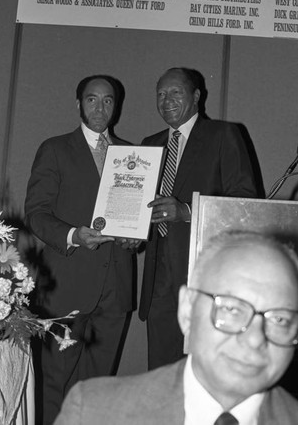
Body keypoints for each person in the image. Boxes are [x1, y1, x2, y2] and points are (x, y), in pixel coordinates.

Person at [53, 230, 298, 425]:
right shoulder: (94, 413)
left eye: (280, 319)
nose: (255, 339)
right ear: (187, 310)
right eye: (232, 309)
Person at [25, 75, 136, 424]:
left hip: (115, 287)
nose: (100, 107)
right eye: (92, 99)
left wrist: (137, 237)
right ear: (78, 104)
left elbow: (136, 215)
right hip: (66, 285)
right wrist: (73, 235)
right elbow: (36, 214)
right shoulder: (55, 149)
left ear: (115, 106)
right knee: (54, 383)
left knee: (98, 387)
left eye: (107, 101)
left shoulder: (132, 156)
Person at [139, 67, 259, 370]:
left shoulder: (222, 135)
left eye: (176, 92)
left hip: (205, 273)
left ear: (196, 96)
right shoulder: (149, 144)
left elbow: (245, 203)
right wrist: (131, 231)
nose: (167, 100)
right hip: (158, 277)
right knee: (161, 371)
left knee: (203, 369)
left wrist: (188, 212)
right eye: (161, 94)